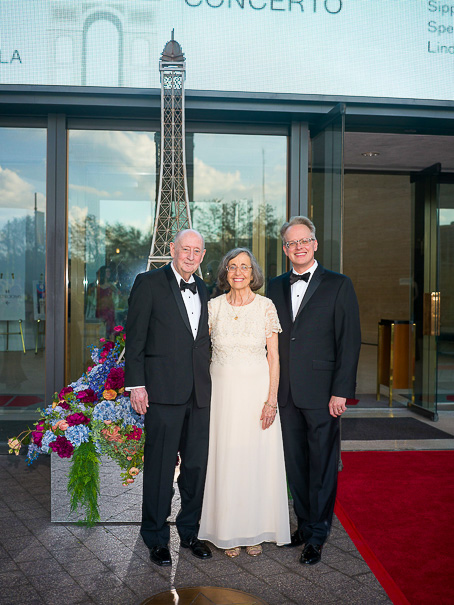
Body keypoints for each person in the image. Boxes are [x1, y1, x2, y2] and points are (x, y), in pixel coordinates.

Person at [268, 216, 361, 565]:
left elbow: (349, 342)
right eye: (292, 243)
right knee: (296, 464)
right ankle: (304, 526)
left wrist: (341, 392)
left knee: (322, 464)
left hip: (323, 393)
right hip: (286, 392)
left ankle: (319, 535)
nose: (299, 247)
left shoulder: (339, 284)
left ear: (315, 243)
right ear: (285, 249)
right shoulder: (275, 287)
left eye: (304, 240)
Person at [125, 229, 212, 567]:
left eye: (196, 251)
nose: (190, 255)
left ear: (202, 255)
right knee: (160, 468)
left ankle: (189, 532)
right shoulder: (148, 283)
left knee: (195, 468)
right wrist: (137, 385)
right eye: (185, 249)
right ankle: (156, 537)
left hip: (199, 395)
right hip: (161, 393)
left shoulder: (205, 288)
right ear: (172, 249)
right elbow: (135, 340)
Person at [199, 248, 290, 557]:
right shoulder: (212, 308)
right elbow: (199, 353)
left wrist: (271, 401)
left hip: (256, 396)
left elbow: (275, 358)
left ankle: (253, 530)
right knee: (226, 461)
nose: (238, 272)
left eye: (245, 267)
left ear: (254, 274)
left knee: (254, 461)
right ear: (225, 273)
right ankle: (227, 530)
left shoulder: (266, 307)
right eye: (233, 267)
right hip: (222, 398)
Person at [96, 265, 117, 338]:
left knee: (110, 332)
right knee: (100, 332)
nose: (109, 273)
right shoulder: (96, 286)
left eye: (109, 271)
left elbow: (119, 296)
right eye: (107, 271)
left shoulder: (111, 285)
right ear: (103, 273)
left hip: (110, 312)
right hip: (101, 311)